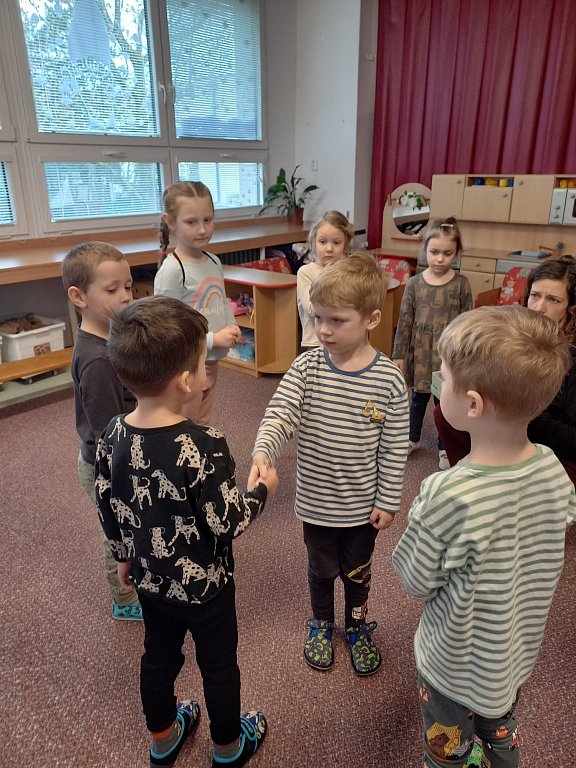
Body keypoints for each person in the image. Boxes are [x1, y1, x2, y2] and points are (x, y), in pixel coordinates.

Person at [94, 296, 278, 768]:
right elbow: (227, 521)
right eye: (201, 363)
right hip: (207, 587)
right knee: (218, 666)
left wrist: (123, 555)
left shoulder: (113, 434)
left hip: (151, 581)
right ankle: (228, 748)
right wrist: (262, 492)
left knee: (158, 657)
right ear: (186, 381)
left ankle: (163, 737)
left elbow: (107, 502)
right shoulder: (203, 444)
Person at [393, 305, 576, 768]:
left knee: (448, 750)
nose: (439, 380)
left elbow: (415, 580)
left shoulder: (448, 494)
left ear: (472, 405)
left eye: (444, 375)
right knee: (499, 734)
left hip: (453, 668)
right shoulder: (553, 469)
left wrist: (421, 516)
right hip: (512, 655)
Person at [250, 252, 409, 676]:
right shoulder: (307, 366)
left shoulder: (389, 381)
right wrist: (264, 451)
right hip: (317, 504)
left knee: (357, 573)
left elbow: (394, 448)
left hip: (362, 508)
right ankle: (321, 622)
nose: (322, 329)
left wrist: (388, 499)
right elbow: (280, 413)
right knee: (320, 571)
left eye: (336, 320)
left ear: (372, 319)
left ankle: (356, 626)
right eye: (318, 317)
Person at [434, 255, 576, 486]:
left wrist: (524, 413)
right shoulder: (513, 336)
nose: (539, 308)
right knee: (444, 413)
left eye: (553, 300)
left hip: (552, 446)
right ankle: (471, 479)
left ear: (571, 308)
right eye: (535, 296)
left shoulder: (571, 359)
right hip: (508, 425)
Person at [62, 241, 142, 621]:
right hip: (107, 466)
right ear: (79, 297)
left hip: (118, 458)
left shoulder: (111, 336)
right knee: (118, 534)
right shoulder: (97, 360)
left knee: (132, 526)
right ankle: (124, 600)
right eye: (112, 290)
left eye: (128, 286)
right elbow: (110, 435)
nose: (125, 296)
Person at [154, 181, 241, 425]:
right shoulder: (173, 270)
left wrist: (232, 324)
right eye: (191, 222)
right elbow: (166, 331)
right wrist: (212, 339)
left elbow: (220, 300)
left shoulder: (213, 261)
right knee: (182, 422)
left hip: (209, 362)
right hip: (186, 366)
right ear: (170, 222)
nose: (202, 230)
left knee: (202, 420)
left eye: (208, 220)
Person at [392, 217, 472, 470]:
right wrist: (398, 355)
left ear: (456, 253)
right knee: (417, 400)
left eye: (447, 253)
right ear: (425, 249)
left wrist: (466, 357)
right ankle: (412, 438)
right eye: (434, 252)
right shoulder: (414, 284)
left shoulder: (461, 284)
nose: (440, 259)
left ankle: (444, 446)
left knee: (444, 403)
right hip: (420, 354)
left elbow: (468, 323)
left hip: (448, 356)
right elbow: (405, 322)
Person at [296, 210, 354, 349]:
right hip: (316, 343)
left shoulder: (348, 271)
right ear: (314, 242)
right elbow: (312, 309)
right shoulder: (306, 272)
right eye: (323, 242)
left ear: (345, 244)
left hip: (343, 341)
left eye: (336, 242)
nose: (329, 248)